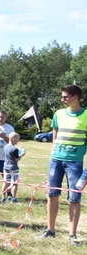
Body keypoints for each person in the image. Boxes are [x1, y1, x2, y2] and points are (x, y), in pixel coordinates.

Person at [41, 85, 87, 244]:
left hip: (75, 162)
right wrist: (55, 152)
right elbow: (55, 135)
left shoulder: (86, 116)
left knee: (74, 197)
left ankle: (72, 235)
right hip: (55, 160)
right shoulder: (58, 114)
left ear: (76, 98)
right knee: (52, 195)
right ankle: (50, 230)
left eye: (65, 97)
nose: (62, 99)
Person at [2, 133, 24, 203]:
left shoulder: (5, 147)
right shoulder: (14, 149)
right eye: (17, 140)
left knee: (5, 182)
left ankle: (3, 198)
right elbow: (16, 159)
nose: (18, 141)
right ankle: (13, 198)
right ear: (13, 139)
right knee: (15, 183)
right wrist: (22, 155)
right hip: (13, 167)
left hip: (6, 167)